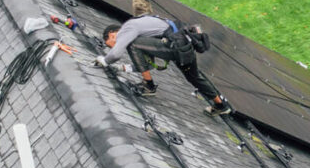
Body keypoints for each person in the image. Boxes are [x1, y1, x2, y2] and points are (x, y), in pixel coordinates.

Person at [96, 17, 232, 116]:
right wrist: (123, 68)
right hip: (183, 45)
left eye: (110, 44)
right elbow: (147, 64)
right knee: (194, 77)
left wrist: (104, 60)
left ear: (112, 34)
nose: (114, 46)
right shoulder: (139, 26)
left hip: (175, 45)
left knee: (133, 44)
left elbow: (116, 54)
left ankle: (148, 86)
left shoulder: (127, 29)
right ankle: (221, 105)